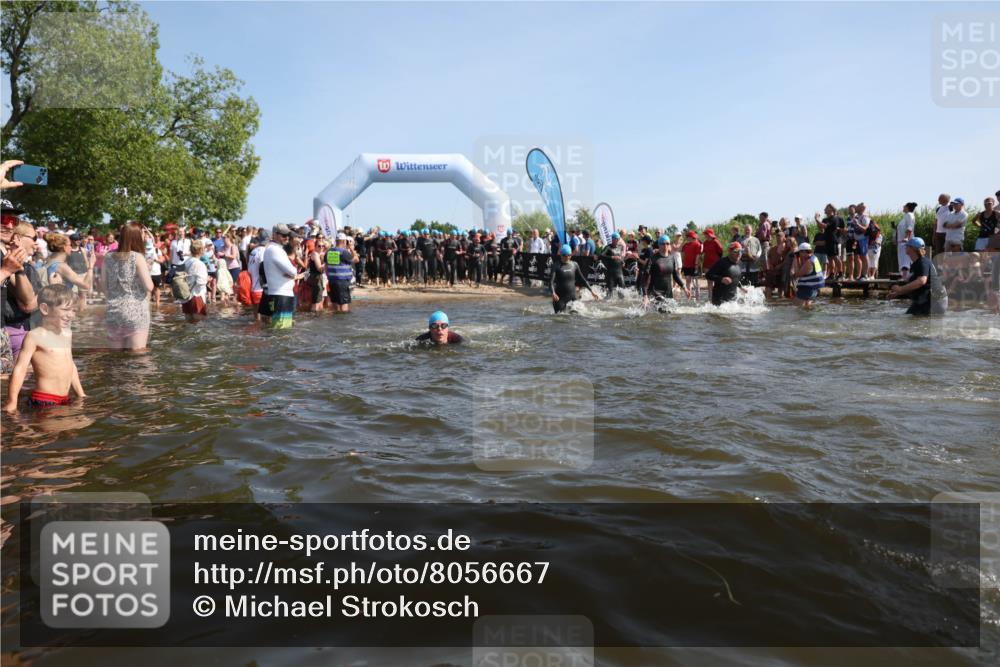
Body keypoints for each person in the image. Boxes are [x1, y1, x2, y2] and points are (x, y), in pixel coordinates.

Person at [4, 285, 85, 412]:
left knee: (73, 430)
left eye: (73, 310)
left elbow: (70, 365)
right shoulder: (34, 336)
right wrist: (12, 401)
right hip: (44, 399)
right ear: (45, 309)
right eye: (65, 309)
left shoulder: (67, 333)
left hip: (65, 399)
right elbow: (20, 369)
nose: (70, 315)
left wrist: (81, 395)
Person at [103, 222, 154, 350]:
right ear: (135, 236)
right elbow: (149, 287)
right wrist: (147, 270)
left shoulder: (108, 256)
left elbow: (103, 286)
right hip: (136, 312)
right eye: (142, 233)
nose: (144, 236)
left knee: (115, 359)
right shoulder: (137, 257)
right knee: (137, 359)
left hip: (114, 311)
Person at [889, 238, 947, 315]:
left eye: (907, 246)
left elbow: (922, 281)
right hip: (925, 298)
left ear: (912, 248)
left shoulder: (923, 262)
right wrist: (898, 293)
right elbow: (915, 285)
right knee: (909, 317)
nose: (906, 248)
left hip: (934, 300)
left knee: (913, 319)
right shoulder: (916, 264)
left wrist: (900, 289)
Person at [261, 224, 302, 328]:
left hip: (279, 294)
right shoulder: (275, 250)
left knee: (280, 328)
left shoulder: (274, 249)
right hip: (281, 295)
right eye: (283, 235)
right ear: (274, 235)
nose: (286, 237)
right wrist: (292, 273)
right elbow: (293, 272)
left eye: (288, 235)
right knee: (282, 330)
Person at [643, 235, 690, 310]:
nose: (665, 246)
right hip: (655, 292)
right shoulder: (653, 259)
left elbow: (675, 275)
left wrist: (684, 288)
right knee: (661, 314)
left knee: (670, 315)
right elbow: (645, 277)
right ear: (659, 245)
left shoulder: (671, 258)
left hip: (668, 292)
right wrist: (645, 295)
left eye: (667, 243)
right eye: (663, 244)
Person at [551, 244, 598, 313]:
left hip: (572, 297)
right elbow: (551, 282)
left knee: (576, 318)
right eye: (565, 255)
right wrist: (553, 293)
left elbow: (583, 279)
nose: (567, 257)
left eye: (569, 255)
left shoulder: (574, 265)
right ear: (561, 255)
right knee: (560, 320)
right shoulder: (556, 266)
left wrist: (592, 291)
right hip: (559, 299)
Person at [704, 241, 744, 306]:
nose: (739, 254)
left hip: (733, 302)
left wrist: (741, 287)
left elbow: (735, 278)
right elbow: (708, 275)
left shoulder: (740, 264)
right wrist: (721, 279)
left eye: (741, 251)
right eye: (736, 251)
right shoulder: (722, 262)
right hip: (720, 301)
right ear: (730, 252)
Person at [325, 233, 354, 313]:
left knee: (335, 304)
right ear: (344, 241)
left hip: (332, 281)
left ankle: (335, 323)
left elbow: (326, 266)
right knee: (344, 305)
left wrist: (328, 277)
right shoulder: (344, 252)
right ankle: (343, 323)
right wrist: (351, 249)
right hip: (342, 281)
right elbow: (356, 260)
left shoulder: (329, 252)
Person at [181, 239, 209, 321]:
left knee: (188, 322)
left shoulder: (187, 261)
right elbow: (201, 282)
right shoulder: (200, 264)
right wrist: (208, 279)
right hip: (197, 295)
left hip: (186, 296)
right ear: (201, 250)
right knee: (199, 324)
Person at [792, 242, 825, 309]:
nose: (799, 255)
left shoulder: (809, 262)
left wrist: (795, 259)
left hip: (808, 288)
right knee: (806, 308)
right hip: (813, 288)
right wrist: (799, 259)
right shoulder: (814, 258)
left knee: (796, 307)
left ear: (804, 252)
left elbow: (797, 274)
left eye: (800, 252)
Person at [896, 203, 918, 279]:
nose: (903, 207)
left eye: (904, 206)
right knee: (902, 259)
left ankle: (906, 276)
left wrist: (906, 238)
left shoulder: (909, 214)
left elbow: (910, 226)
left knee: (905, 259)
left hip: (906, 241)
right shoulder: (905, 216)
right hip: (901, 241)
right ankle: (905, 275)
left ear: (907, 207)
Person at [680, 230, 702, 300]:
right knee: (687, 281)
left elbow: (698, 255)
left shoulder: (697, 244)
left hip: (694, 266)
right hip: (686, 266)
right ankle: (688, 298)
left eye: (688, 237)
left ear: (691, 237)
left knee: (695, 282)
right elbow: (680, 251)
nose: (687, 238)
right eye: (686, 237)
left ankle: (698, 298)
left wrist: (696, 264)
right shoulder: (685, 245)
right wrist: (683, 242)